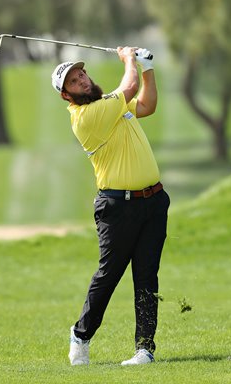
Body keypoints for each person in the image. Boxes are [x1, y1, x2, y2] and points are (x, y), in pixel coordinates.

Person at [51, 46, 170, 366]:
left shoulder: (110, 106)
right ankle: (81, 334)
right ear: (67, 96)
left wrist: (147, 68)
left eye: (82, 74)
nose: (83, 81)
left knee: (147, 275)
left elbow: (146, 103)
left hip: (153, 201)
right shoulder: (87, 117)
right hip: (117, 207)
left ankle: (145, 349)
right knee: (110, 274)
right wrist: (129, 59)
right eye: (74, 82)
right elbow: (129, 88)